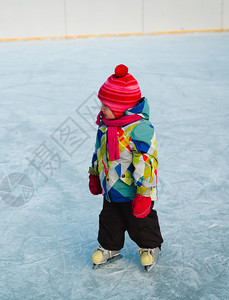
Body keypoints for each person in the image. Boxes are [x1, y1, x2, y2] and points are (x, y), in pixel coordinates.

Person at [88, 64, 163, 270]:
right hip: (111, 187)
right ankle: (109, 246)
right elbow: (98, 152)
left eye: (106, 105)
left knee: (140, 222)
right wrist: (94, 174)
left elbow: (147, 163)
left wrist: (144, 194)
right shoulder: (105, 125)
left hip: (135, 190)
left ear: (121, 107)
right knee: (109, 220)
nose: (101, 109)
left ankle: (150, 246)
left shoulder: (140, 130)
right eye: (101, 104)